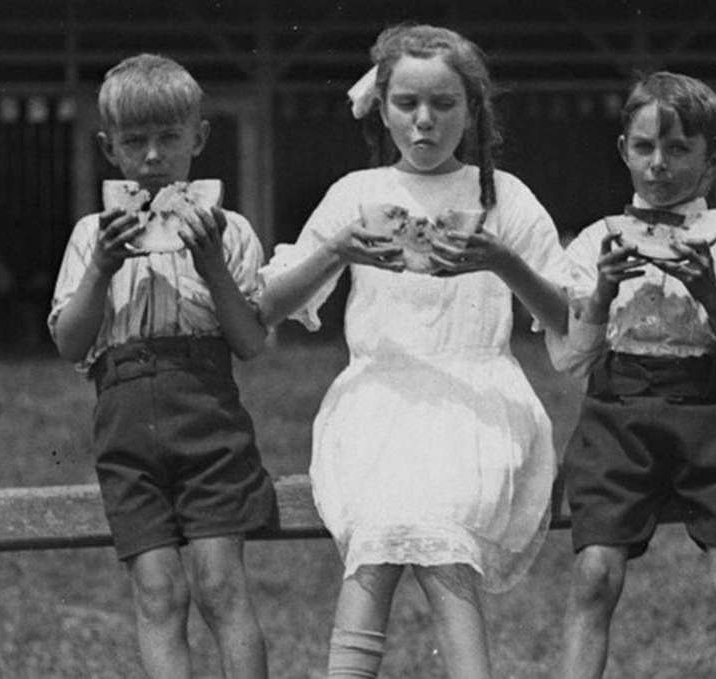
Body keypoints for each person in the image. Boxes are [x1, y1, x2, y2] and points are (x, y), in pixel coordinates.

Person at [256, 24, 570, 679]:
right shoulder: (357, 195)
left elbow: (568, 316)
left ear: (472, 110)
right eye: (407, 105)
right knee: (376, 540)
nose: (424, 122)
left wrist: (506, 264)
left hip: (475, 401)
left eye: (444, 105)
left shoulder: (503, 197)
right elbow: (268, 308)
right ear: (382, 107)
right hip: (380, 399)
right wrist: (335, 250)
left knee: (443, 541)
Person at [550, 71, 716, 679]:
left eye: (679, 149)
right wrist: (603, 294)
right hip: (617, 418)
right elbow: (570, 359)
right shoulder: (594, 243)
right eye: (644, 148)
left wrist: (713, 297)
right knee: (594, 575)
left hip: (712, 418)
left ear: (713, 161)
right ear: (624, 151)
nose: (658, 165)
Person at [48, 53, 277, 679]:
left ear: (198, 139)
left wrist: (211, 268)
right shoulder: (89, 235)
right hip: (124, 426)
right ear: (109, 148)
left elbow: (250, 342)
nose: (152, 157)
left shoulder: (230, 233)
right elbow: (71, 345)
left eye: (169, 139)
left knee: (219, 584)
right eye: (134, 142)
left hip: (207, 417)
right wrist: (101, 266)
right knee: (157, 593)